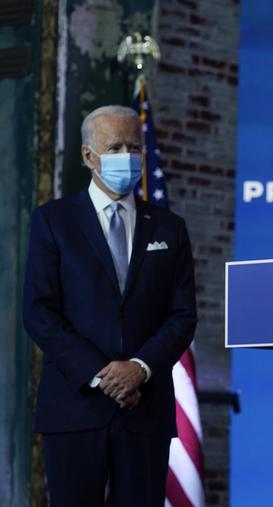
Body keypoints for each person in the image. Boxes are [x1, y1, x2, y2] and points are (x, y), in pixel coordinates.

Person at [23, 105, 197, 506]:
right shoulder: (53, 221)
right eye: (114, 146)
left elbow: (182, 315)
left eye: (134, 147)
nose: (128, 156)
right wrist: (103, 376)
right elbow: (40, 311)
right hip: (74, 407)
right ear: (88, 156)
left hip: (145, 408)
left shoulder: (170, 228)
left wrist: (138, 369)